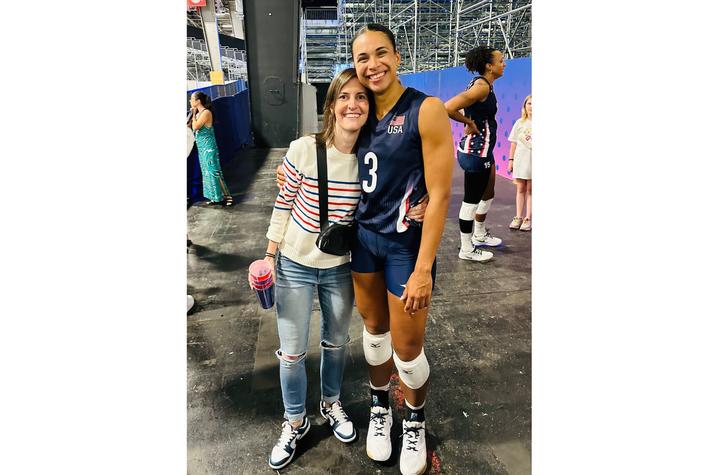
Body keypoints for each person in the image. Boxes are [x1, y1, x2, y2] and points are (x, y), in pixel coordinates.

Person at [350, 24, 454, 475]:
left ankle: (414, 419)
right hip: (362, 241)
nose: (372, 65)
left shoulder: (425, 110)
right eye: (361, 58)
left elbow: (441, 194)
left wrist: (424, 268)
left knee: (407, 351)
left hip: (403, 248)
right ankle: (379, 408)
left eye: (380, 54)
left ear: (397, 56)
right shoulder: (355, 111)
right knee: (374, 337)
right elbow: (323, 152)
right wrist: (289, 170)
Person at [259, 68, 369, 471]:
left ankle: (330, 402)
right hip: (295, 264)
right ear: (332, 105)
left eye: (360, 97)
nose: (352, 105)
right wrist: (269, 256)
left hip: (341, 267)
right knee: (291, 353)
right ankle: (294, 421)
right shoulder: (304, 148)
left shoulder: (371, 159)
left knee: (337, 343)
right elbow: (283, 202)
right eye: (344, 97)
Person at [444, 45, 506, 262]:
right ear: (489, 66)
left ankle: (479, 235)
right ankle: (466, 248)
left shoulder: (486, 85)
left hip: (484, 151)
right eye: (500, 61)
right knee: (470, 201)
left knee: (488, 193)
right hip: (475, 153)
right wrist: (468, 122)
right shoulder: (481, 87)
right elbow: (448, 107)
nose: (503, 64)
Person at [189, 91, 234, 206]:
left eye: (192, 99)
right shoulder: (199, 114)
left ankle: (227, 196)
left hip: (209, 148)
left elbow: (196, 127)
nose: (190, 101)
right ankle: (215, 197)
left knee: (214, 172)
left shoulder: (206, 112)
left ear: (198, 101)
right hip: (202, 148)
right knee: (206, 173)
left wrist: (193, 114)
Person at [507, 95, 532, 231]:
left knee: (530, 190)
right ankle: (518, 216)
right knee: (520, 188)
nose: (531, 106)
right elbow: (513, 144)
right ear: (524, 106)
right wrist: (511, 161)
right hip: (520, 160)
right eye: (529, 103)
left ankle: (528, 218)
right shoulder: (519, 123)